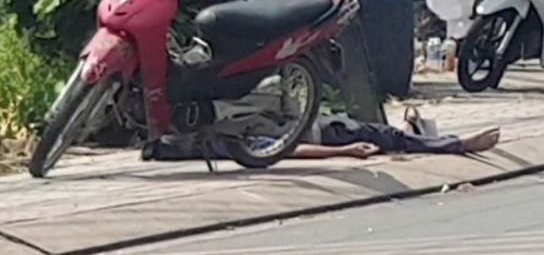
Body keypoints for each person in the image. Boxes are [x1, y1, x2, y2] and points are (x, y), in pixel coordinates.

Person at [147, 113, 502, 161]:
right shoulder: (228, 143)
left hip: (317, 122)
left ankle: (433, 137)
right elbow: (288, 151)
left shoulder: (221, 133)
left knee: (392, 135)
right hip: (328, 134)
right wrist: (344, 152)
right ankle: (457, 144)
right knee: (388, 136)